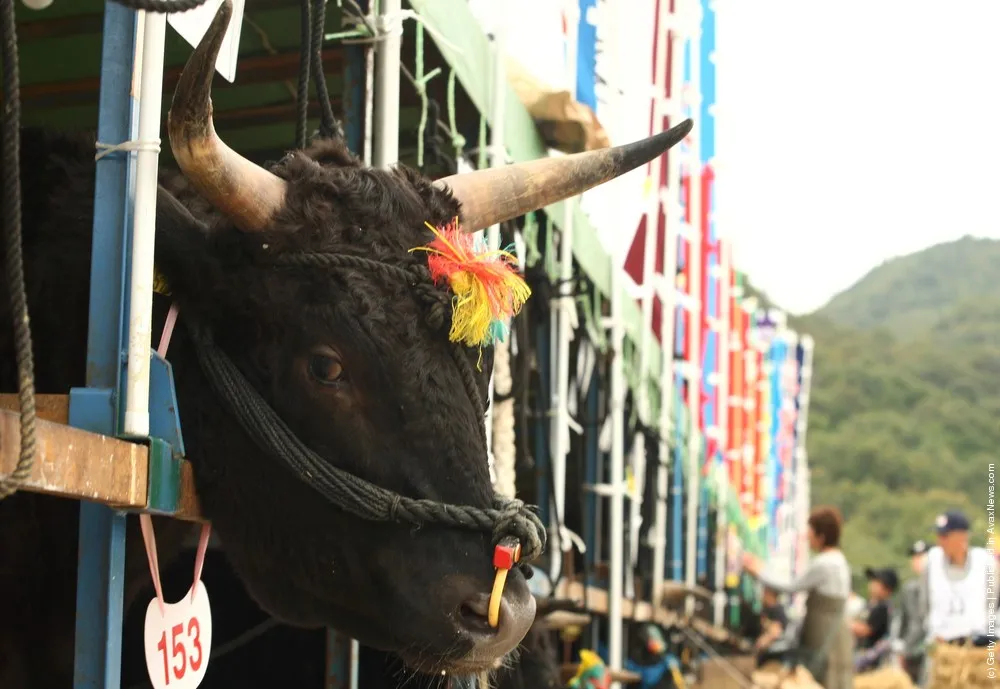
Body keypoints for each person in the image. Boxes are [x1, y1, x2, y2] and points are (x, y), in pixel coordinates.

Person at [742, 506, 853, 689]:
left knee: (821, 679)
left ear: (821, 536)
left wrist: (758, 570)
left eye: (810, 532)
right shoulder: (838, 560)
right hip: (835, 635)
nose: (807, 537)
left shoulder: (825, 564)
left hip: (824, 637)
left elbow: (791, 586)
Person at [918, 510, 996, 687]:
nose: (940, 541)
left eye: (945, 536)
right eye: (938, 535)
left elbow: (994, 603)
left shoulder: (985, 563)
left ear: (961, 537)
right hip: (942, 649)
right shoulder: (931, 561)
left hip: (977, 652)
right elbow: (924, 605)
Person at [895, 540, 929, 684]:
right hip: (913, 652)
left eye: (922, 556)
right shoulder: (909, 588)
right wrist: (902, 648)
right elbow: (906, 622)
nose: (917, 561)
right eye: (915, 557)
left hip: (932, 650)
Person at [853, 566, 898, 672]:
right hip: (859, 653)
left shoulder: (883, 607)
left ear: (887, 589)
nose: (872, 584)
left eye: (876, 582)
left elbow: (865, 630)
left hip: (870, 660)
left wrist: (845, 623)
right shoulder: (871, 603)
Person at [754, 586, 790, 666]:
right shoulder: (765, 609)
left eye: (765, 593)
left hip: (774, 655)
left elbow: (775, 631)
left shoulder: (778, 611)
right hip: (764, 654)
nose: (762, 596)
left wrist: (762, 642)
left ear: (771, 595)